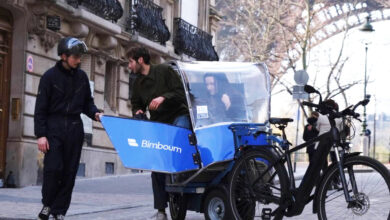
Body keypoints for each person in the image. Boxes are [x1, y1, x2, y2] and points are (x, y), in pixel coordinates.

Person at [34, 37, 103, 220]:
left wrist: (96, 114)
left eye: (80, 57)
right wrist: (41, 135)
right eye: (75, 57)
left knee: (69, 173)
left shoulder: (82, 77)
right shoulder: (49, 77)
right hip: (54, 128)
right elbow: (40, 108)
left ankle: (59, 211)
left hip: (74, 128)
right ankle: (48, 204)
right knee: (53, 169)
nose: (79, 60)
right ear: (64, 56)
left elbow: (88, 103)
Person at [127, 47, 190, 220]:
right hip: (159, 123)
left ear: (141, 60)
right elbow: (135, 103)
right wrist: (138, 111)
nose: (129, 66)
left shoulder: (165, 70)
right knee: (157, 165)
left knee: (178, 140)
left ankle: (181, 176)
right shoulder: (138, 83)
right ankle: (161, 211)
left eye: (131, 61)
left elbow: (181, 94)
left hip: (179, 116)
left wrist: (163, 97)